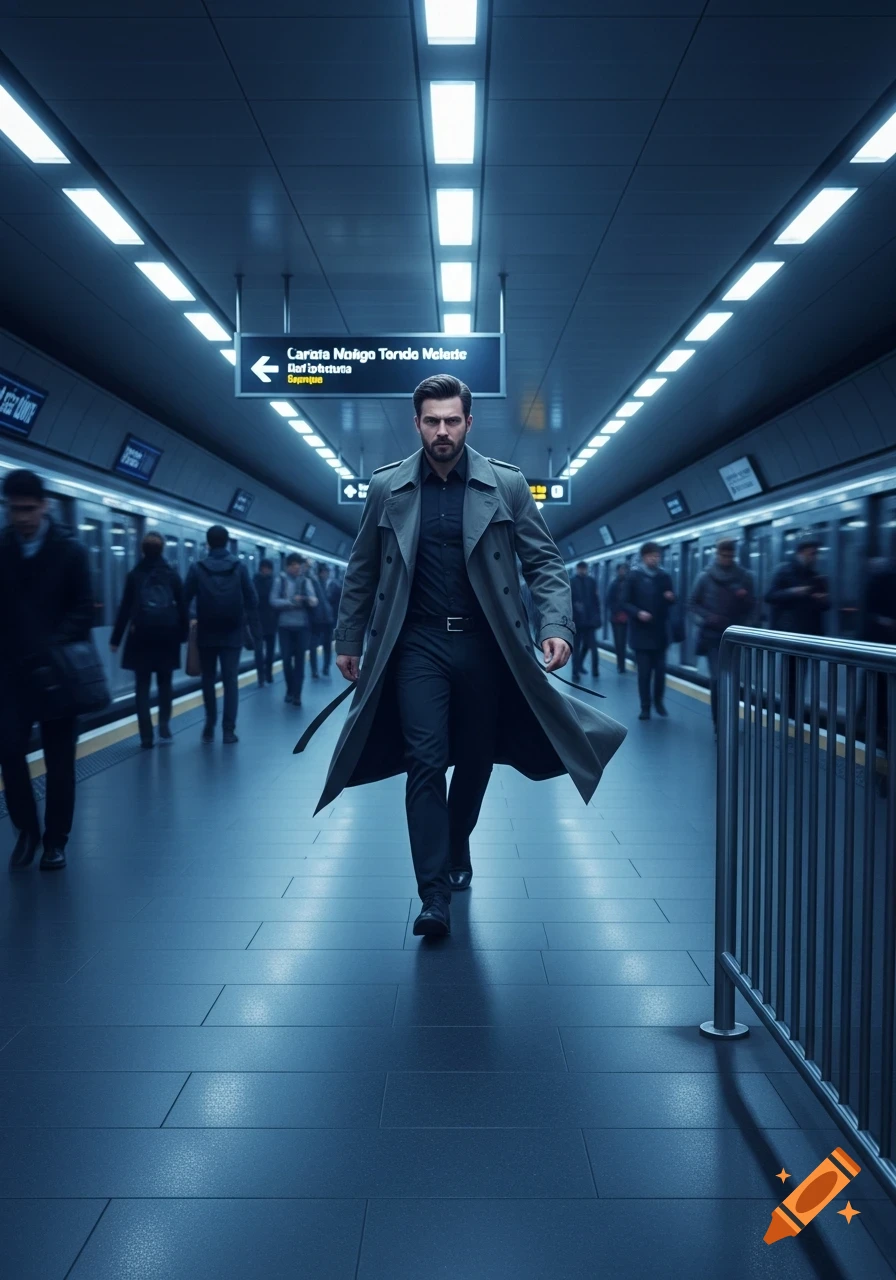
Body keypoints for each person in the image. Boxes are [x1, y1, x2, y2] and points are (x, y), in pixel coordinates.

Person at [320, 373, 627, 938]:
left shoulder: (504, 486)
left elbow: (545, 563)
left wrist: (556, 622)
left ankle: (456, 838)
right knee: (426, 761)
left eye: (452, 420)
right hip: (415, 645)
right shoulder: (389, 488)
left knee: (477, 760)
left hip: (489, 645)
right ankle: (433, 895)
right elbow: (361, 569)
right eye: (432, 421)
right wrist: (348, 638)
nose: (442, 431)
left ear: (468, 422)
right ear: (417, 424)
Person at [0, 469, 94, 871]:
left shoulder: (70, 551)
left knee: (59, 763)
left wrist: (52, 642)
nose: (20, 517)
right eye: (12, 509)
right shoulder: (2, 547)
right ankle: (27, 829)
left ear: (44, 506)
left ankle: (56, 841)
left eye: (27, 509)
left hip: (58, 674)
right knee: (8, 754)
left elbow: (85, 609)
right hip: (12, 675)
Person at [110, 532, 189, 748]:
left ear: (142, 550)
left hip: (141, 636)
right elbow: (183, 608)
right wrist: (184, 635)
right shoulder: (172, 575)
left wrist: (116, 638)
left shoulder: (135, 575)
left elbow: (125, 609)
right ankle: (164, 726)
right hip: (167, 635)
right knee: (165, 684)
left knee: (142, 687)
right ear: (162, 549)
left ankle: (146, 736)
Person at [184, 525, 258, 744]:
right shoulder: (239, 566)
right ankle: (228, 730)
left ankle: (209, 725)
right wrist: (245, 621)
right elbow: (253, 599)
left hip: (206, 632)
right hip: (232, 632)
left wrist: (192, 618)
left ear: (208, 543)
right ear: (226, 542)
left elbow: (184, 597)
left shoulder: (197, 568)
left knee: (208, 679)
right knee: (230, 680)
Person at [688, 538, 755, 730]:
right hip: (712, 637)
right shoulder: (705, 577)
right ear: (717, 555)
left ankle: (731, 719)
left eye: (730, 555)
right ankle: (719, 722)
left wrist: (746, 624)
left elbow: (753, 605)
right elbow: (692, 604)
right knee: (718, 679)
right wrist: (706, 619)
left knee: (734, 680)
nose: (727, 559)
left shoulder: (744, 577)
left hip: (736, 636)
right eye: (723, 555)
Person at [765, 536, 829, 720]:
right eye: (811, 553)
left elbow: (827, 604)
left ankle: (797, 709)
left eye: (815, 554)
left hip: (810, 633)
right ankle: (789, 710)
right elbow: (770, 596)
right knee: (791, 674)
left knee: (803, 672)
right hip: (790, 633)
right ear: (801, 553)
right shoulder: (784, 572)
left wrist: (822, 599)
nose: (814, 557)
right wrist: (793, 592)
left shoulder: (816, 576)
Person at [622, 541, 676, 720]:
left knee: (660, 672)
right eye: (652, 556)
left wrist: (670, 598)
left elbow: (672, 600)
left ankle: (658, 702)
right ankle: (645, 707)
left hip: (660, 633)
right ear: (644, 557)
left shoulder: (664, 577)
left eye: (657, 556)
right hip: (640, 634)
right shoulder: (633, 577)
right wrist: (638, 613)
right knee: (644, 673)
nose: (655, 559)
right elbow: (624, 602)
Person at [271, 553, 317, 706]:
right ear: (288, 566)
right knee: (285, 660)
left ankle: (297, 694)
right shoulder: (280, 580)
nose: (298, 569)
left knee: (299, 661)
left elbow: (314, 600)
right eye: (295, 566)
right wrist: (291, 601)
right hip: (284, 626)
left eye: (300, 566)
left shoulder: (306, 581)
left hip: (302, 626)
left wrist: (307, 600)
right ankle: (289, 689)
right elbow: (273, 601)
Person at [570, 561, 601, 679]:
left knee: (590, 646)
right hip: (577, 621)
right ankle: (575, 672)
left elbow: (596, 601)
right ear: (577, 569)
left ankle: (593, 669)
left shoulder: (592, 582)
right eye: (580, 569)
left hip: (590, 621)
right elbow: (569, 600)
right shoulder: (572, 582)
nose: (582, 571)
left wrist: (598, 618)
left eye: (584, 569)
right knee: (576, 647)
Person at [253, 558, 278, 686]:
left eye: (267, 568)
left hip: (268, 621)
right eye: (264, 568)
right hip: (261, 621)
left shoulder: (255, 581)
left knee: (267, 651)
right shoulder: (271, 582)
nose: (266, 571)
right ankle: (262, 676)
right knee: (261, 651)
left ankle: (267, 674)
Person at [308, 564, 335, 679]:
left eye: (326, 572)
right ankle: (314, 670)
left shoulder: (333, 585)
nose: (325, 574)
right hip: (316, 621)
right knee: (313, 646)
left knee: (327, 645)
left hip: (328, 620)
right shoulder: (313, 584)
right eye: (323, 572)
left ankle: (326, 667)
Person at [606, 562, 630, 673]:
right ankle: (621, 665)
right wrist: (617, 613)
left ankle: (624, 663)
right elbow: (609, 602)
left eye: (624, 570)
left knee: (625, 642)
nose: (623, 572)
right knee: (619, 643)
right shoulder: (613, 584)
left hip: (628, 618)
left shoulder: (629, 583)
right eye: (621, 569)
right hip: (617, 619)